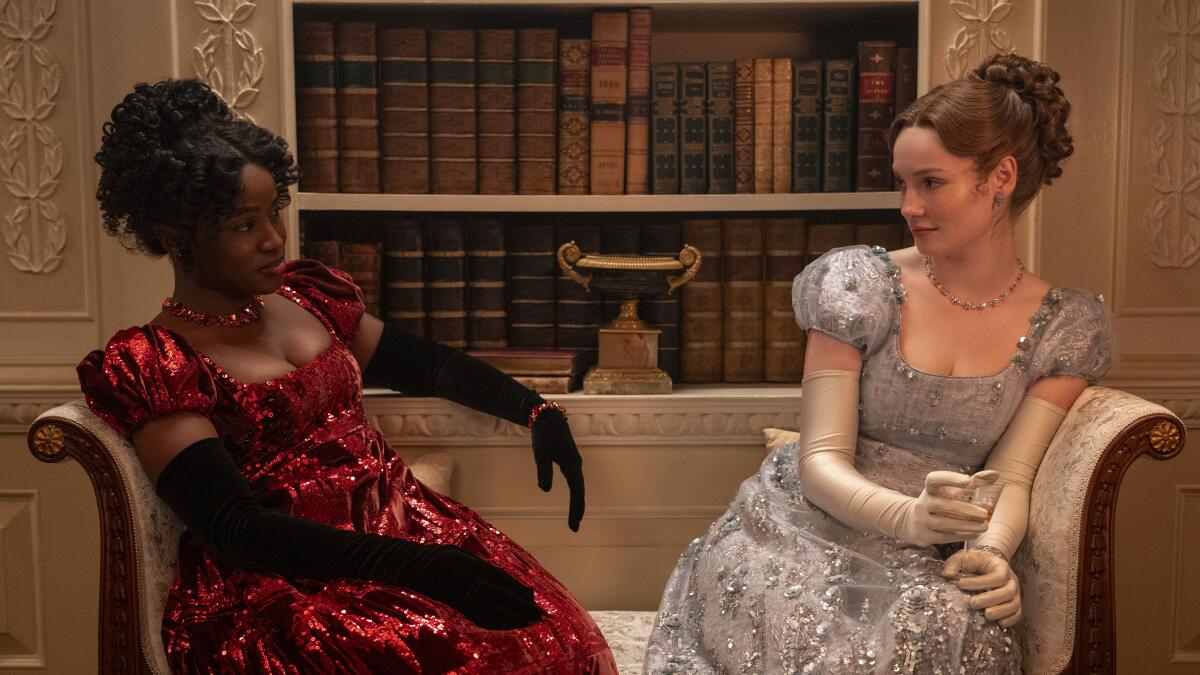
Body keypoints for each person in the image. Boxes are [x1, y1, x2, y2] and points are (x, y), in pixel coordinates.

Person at [78, 78, 616, 673]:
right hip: (296, 586)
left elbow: (429, 365)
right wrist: (424, 571)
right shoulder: (157, 361)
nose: (273, 239)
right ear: (175, 238)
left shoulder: (307, 296)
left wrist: (535, 409)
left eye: (274, 213)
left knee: (552, 640)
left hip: (408, 527)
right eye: (244, 225)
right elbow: (234, 529)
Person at [644, 53, 1112, 674]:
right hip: (801, 530)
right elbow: (819, 463)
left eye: (931, 182)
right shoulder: (858, 283)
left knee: (952, 623)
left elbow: (1011, 476)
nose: (908, 205)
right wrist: (908, 517)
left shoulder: (1065, 327)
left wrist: (994, 553)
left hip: (929, 552)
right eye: (902, 183)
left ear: (1000, 176)